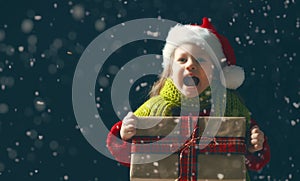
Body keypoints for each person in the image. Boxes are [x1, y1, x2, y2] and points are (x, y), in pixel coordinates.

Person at [106, 17, 270, 180]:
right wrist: (125, 135)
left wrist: (254, 145)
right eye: (182, 59)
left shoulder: (231, 107)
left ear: (214, 70)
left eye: (200, 59)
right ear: (170, 70)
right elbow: (129, 157)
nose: (190, 65)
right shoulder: (153, 108)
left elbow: (253, 162)